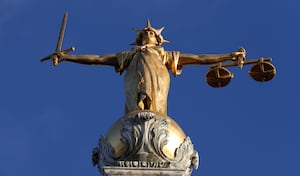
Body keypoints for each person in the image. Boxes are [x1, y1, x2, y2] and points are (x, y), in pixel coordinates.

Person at [54, 20, 245, 115]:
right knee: (135, 112)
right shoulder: (130, 55)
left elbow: (199, 58)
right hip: (134, 79)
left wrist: (229, 55)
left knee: (156, 114)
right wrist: (67, 58)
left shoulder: (164, 55)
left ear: (158, 39)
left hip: (159, 79)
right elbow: (98, 59)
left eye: (151, 32)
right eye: (145, 32)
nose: (147, 33)